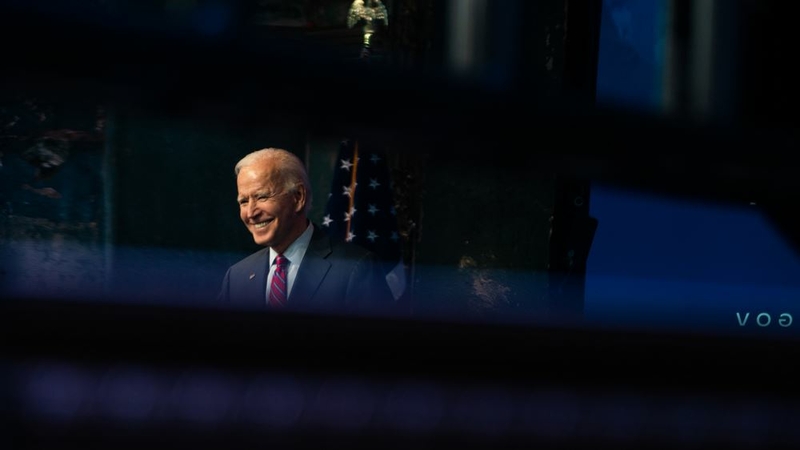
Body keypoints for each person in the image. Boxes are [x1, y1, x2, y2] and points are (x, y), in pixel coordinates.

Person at [217, 147, 395, 315]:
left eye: (262, 196)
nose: (251, 213)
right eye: (243, 202)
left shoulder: (355, 268)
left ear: (298, 197)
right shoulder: (237, 277)